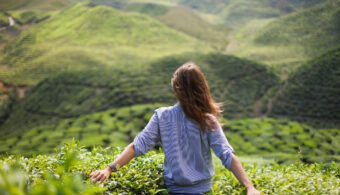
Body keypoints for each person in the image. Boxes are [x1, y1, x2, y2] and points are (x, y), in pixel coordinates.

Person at [89, 62, 261, 195]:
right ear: (202, 88)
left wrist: (109, 169)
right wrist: (249, 187)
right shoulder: (208, 120)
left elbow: (137, 146)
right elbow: (227, 155)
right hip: (204, 191)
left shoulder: (162, 116)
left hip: (173, 191)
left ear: (176, 89)